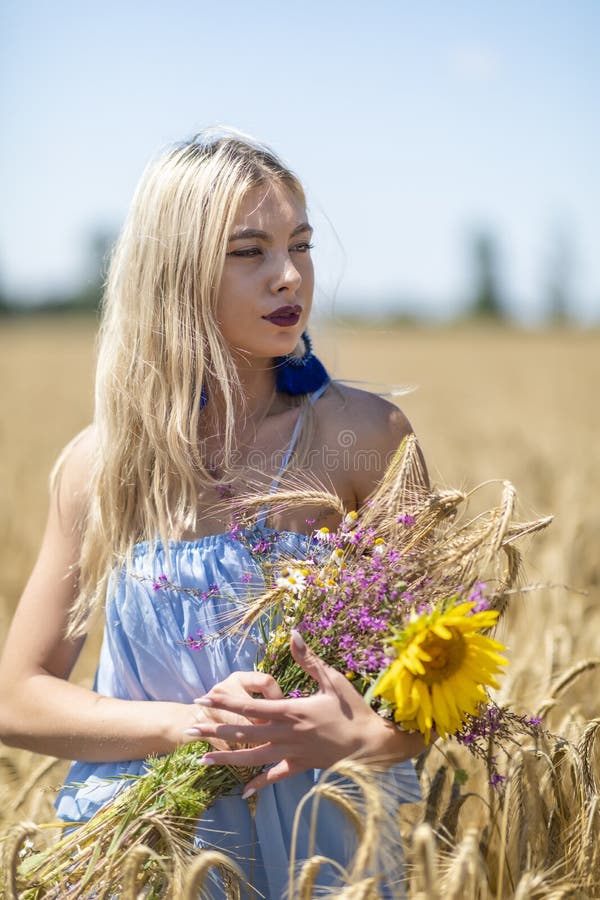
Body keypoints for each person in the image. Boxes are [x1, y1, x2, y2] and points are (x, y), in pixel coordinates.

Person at [0, 128, 425, 898]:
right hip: (145, 856)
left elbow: (440, 670)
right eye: (248, 251)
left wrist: (363, 736)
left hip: (322, 849)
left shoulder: (364, 438)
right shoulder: (100, 466)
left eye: (300, 245)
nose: (288, 275)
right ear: (176, 271)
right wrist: (192, 728)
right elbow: (18, 694)